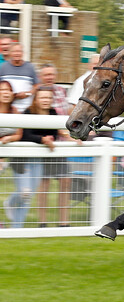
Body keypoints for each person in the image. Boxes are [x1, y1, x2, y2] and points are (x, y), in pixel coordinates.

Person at [22, 87, 69, 227]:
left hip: (53, 152)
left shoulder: (53, 112)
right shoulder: (28, 112)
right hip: (38, 156)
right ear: (36, 99)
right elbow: (25, 135)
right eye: (42, 97)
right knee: (44, 185)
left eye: (49, 98)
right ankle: (42, 222)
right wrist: (42, 140)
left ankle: (64, 222)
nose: (46, 101)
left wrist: (71, 138)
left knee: (66, 182)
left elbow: (56, 132)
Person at [0, 80, 27, 227]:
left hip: (12, 155)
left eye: (8, 90)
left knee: (25, 190)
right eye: (2, 90)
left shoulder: (15, 111)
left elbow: (19, 134)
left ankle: (11, 207)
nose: (5, 93)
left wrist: (9, 138)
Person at [0, 42, 39, 112]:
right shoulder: (3, 67)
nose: (17, 54)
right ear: (10, 53)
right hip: (8, 109)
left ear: (23, 53)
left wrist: (27, 93)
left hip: (26, 108)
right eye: (14, 51)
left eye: (19, 51)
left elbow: (37, 85)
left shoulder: (30, 67)